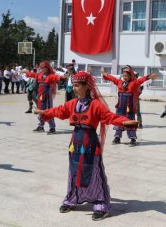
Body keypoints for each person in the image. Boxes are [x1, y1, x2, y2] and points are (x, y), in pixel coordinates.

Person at [34, 71, 138, 221]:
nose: (74, 88)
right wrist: (45, 112)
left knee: (94, 172)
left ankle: (101, 203)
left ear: (87, 87)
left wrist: (124, 122)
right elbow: (59, 111)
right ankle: (72, 198)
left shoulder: (96, 105)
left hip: (89, 143)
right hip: (74, 143)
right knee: (74, 171)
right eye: (74, 85)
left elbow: (110, 117)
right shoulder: (73, 103)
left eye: (77, 86)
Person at [101, 67, 157, 146]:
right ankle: (117, 138)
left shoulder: (133, 83)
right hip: (120, 108)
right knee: (118, 122)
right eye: (123, 76)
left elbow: (140, 80)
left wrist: (148, 77)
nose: (125, 77)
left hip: (129, 109)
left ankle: (132, 139)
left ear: (130, 76)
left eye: (126, 76)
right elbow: (113, 79)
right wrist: (104, 74)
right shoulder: (119, 82)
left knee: (130, 123)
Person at [24, 61, 64, 134]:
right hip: (41, 95)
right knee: (40, 109)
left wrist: (62, 78)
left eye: (42, 67)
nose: (41, 69)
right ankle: (41, 126)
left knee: (49, 110)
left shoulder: (50, 76)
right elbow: (34, 74)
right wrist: (26, 73)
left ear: (47, 68)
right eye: (40, 67)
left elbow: (57, 77)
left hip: (47, 95)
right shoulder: (40, 75)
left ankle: (52, 128)